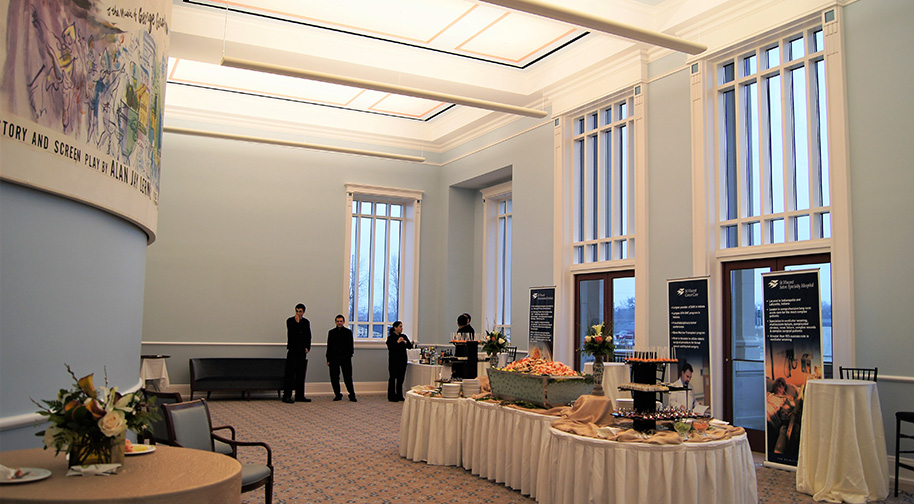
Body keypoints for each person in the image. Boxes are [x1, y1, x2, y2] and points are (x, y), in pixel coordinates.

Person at [282, 303, 312, 403]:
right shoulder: (290, 321)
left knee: (300, 374)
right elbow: (292, 333)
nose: (298, 313)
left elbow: (308, 335)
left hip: (301, 351)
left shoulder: (306, 322)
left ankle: (300, 395)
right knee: (290, 374)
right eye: (297, 311)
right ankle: (287, 396)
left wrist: (307, 347)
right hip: (292, 350)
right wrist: (297, 322)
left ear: (303, 312)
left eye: (300, 312)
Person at [327, 314, 357, 402]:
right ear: (335, 322)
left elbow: (350, 346)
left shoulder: (348, 332)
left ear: (343, 322)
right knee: (334, 377)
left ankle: (352, 394)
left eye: (341, 321)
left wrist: (349, 356)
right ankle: (337, 394)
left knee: (348, 377)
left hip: (345, 358)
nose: (339, 323)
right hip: (334, 358)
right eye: (338, 321)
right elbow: (329, 347)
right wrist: (328, 359)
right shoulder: (331, 332)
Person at [386, 321, 412, 402]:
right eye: (400, 326)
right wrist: (398, 342)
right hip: (394, 361)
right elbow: (391, 347)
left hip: (402, 360)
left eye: (402, 326)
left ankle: (399, 395)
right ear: (395, 328)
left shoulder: (403, 336)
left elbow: (410, 346)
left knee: (401, 378)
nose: (401, 328)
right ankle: (391, 396)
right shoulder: (391, 337)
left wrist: (405, 342)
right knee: (393, 378)